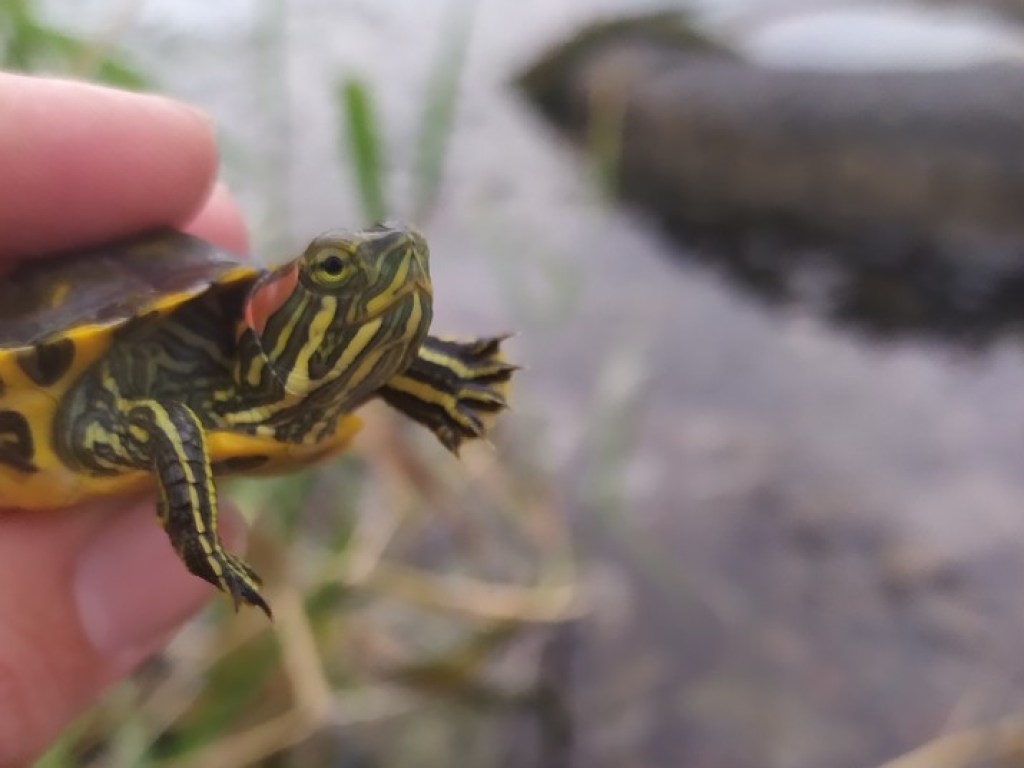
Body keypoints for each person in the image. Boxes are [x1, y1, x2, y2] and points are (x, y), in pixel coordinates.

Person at [0, 71, 250, 765]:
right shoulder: (168, 399)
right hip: (52, 380)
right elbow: (168, 422)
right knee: (169, 419)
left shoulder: (258, 368)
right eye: (331, 275)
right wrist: (197, 540)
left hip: (115, 418)